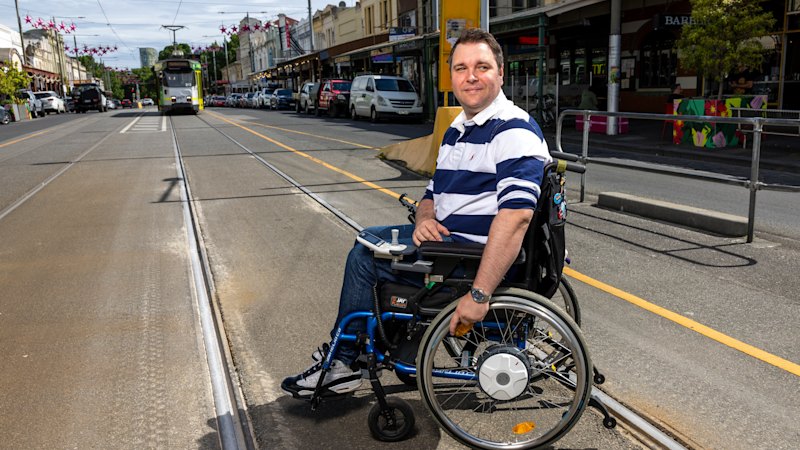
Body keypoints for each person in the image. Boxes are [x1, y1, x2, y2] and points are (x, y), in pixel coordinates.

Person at [281, 28, 552, 398]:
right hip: (448, 244)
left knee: (364, 259)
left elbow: (516, 216)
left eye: (482, 67)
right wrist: (425, 219)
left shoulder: (513, 131)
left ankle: (344, 362)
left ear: (500, 73)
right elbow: (432, 193)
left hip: (466, 259)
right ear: (452, 77)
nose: (471, 76)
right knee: (370, 238)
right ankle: (379, 347)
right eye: (461, 68)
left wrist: (479, 295)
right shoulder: (458, 129)